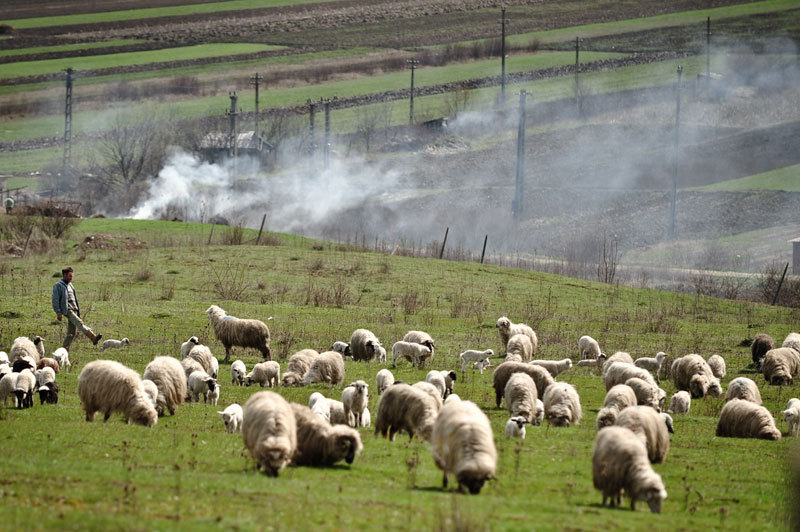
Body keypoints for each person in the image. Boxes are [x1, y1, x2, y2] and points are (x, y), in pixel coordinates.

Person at [52, 267, 102, 350]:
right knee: (80, 323)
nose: (71, 278)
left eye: (72, 276)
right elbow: (55, 300)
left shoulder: (70, 285)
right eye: (69, 276)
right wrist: (58, 312)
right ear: (64, 275)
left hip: (74, 310)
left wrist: (78, 312)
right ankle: (93, 337)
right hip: (68, 310)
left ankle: (64, 350)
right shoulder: (58, 285)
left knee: (71, 333)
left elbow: (75, 299)